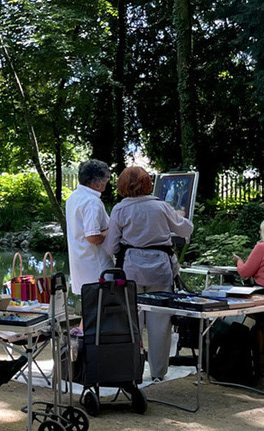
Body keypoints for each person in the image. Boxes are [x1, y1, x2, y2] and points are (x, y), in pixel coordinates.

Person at [101, 166, 194, 380]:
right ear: (148, 184)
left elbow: (111, 246)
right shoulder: (161, 206)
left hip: (131, 271)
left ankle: (131, 370)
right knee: (160, 323)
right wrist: (179, 215)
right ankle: (158, 372)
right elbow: (186, 230)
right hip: (160, 270)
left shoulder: (120, 209)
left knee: (131, 321)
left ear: (122, 186)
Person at [64, 159, 113, 295]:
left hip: (80, 264)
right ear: (97, 183)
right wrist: (111, 230)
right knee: (100, 305)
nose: (107, 183)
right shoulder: (92, 202)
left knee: (88, 305)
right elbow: (92, 237)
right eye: (106, 179)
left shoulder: (73, 198)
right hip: (96, 267)